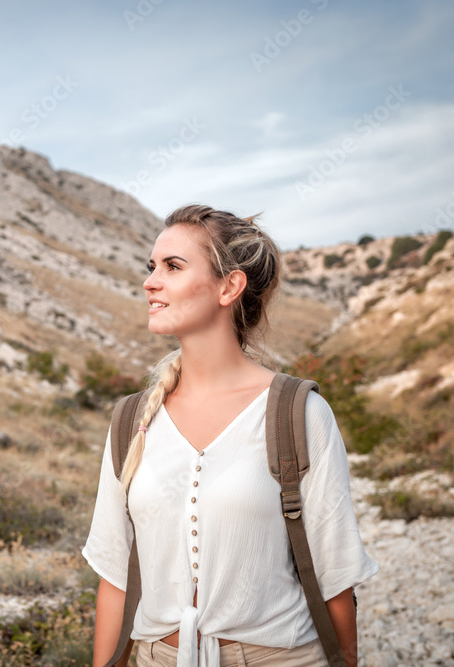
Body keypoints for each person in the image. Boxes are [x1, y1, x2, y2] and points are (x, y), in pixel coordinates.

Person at [82, 205, 379, 667]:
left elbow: (335, 576)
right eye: (151, 267)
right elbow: (115, 580)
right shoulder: (131, 421)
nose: (150, 282)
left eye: (173, 267)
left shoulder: (299, 414)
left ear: (229, 286)